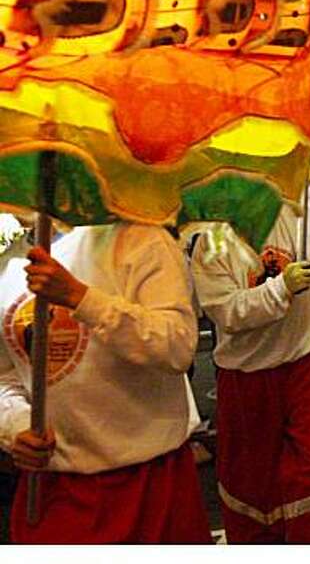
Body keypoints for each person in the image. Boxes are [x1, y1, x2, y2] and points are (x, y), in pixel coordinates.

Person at [190, 131, 310, 542]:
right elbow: (227, 312)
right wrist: (279, 289)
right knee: (253, 491)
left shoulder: (299, 210)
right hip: (248, 379)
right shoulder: (212, 246)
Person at [0, 223, 211, 543]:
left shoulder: (140, 239)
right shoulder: (8, 265)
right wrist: (15, 426)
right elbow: (7, 376)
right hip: (51, 491)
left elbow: (177, 347)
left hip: (148, 482)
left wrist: (80, 298)